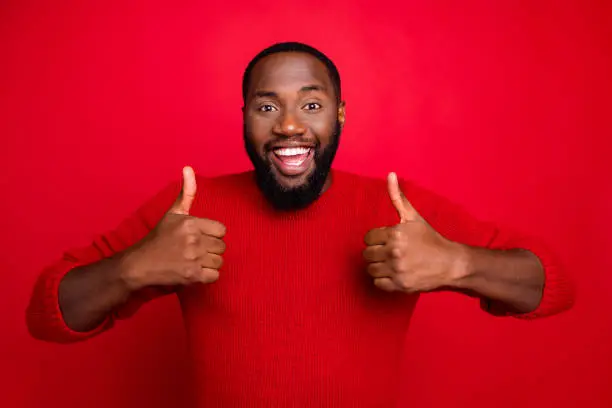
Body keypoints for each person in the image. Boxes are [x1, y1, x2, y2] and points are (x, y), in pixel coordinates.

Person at [26, 42, 575, 407]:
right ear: (243, 115)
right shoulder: (188, 209)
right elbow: (47, 317)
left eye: (311, 105)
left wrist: (458, 263)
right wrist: (133, 268)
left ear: (339, 113)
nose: (289, 125)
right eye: (267, 108)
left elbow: (554, 288)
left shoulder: (397, 204)